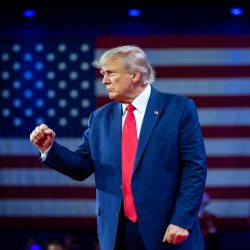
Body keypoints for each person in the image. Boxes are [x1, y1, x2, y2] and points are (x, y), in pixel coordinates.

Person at [30, 45, 207, 250]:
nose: (104, 80)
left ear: (135, 75)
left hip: (167, 229)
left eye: (110, 73)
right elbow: (82, 167)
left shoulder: (178, 108)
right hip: (116, 233)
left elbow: (195, 168)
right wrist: (49, 149)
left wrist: (182, 220)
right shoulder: (100, 118)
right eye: (103, 74)